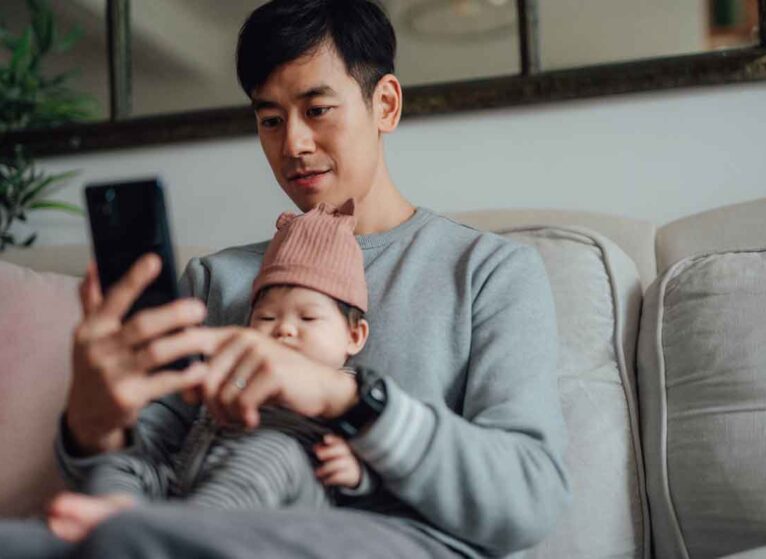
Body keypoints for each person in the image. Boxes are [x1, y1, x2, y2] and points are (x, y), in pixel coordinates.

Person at [0, 0, 569, 557]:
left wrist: (345, 396)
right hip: (184, 533)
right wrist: (95, 428)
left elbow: (530, 498)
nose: (292, 144)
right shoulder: (215, 280)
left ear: (386, 105)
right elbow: (125, 496)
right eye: (270, 119)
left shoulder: (489, 273)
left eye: (317, 110)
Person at [80, 200, 379, 511]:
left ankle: (175, 533)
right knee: (119, 463)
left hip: (287, 497)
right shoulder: (233, 368)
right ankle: (116, 514)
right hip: (192, 476)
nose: (285, 330)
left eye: (308, 319)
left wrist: (358, 474)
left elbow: (387, 466)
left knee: (272, 452)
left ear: (354, 336)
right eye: (266, 318)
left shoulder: (354, 393)